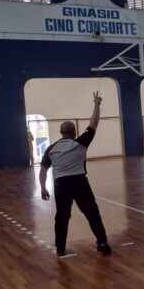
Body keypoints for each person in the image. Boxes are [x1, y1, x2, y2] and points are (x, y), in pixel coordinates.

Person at [39, 92, 111, 257]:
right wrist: (97, 104)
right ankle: (102, 243)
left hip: (61, 185)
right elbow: (94, 123)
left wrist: (43, 187)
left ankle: (60, 248)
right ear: (74, 132)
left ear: (61, 132)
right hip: (79, 182)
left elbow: (43, 170)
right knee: (92, 213)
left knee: (62, 217)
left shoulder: (51, 148)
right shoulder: (81, 143)